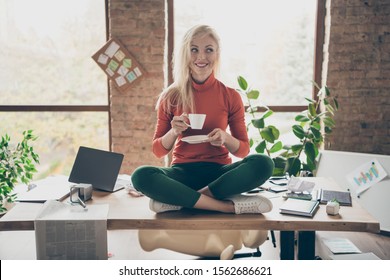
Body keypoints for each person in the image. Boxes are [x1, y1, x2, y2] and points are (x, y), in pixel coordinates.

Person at [132, 25, 274, 214]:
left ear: (217, 54)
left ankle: (185, 199)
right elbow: (158, 150)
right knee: (141, 175)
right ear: (186, 53)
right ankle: (224, 206)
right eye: (194, 50)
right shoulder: (171, 96)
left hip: (220, 175)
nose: (201, 57)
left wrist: (225, 137)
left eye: (209, 50)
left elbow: (243, 150)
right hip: (181, 173)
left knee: (264, 163)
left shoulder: (230, 96)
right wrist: (173, 132)